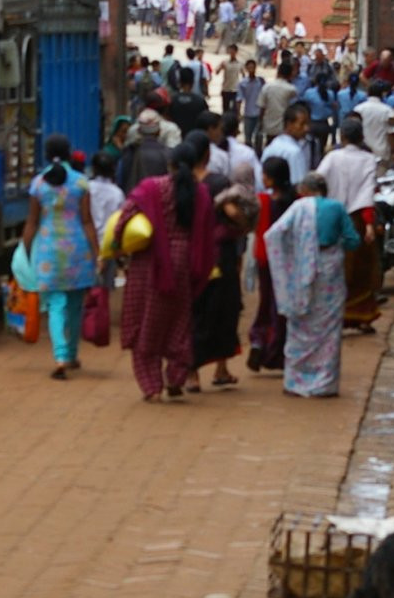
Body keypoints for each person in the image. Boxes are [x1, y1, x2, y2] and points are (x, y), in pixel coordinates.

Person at [109, 141, 216, 402]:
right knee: (179, 322)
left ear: (169, 163)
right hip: (186, 265)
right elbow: (208, 232)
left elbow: (125, 215)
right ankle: (176, 377)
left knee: (147, 321)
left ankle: (152, 386)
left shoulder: (151, 188)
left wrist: (116, 247)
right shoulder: (201, 193)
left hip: (150, 263)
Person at [263, 172, 359, 398]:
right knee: (329, 329)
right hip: (330, 272)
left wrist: (295, 253)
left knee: (300, 326)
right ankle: (324, 383)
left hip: (301, 274)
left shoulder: (298, 208)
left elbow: (274, 234)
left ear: (303, 191)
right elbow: (354, 240)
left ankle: (296, 382)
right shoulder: (336, 208)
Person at [21, 135, 99, 381]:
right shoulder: (81, 183)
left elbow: (32, 222)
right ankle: (72, 354)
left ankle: (60, 357)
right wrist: (97, 252)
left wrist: (25, 251)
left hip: (48, 252)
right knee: (75, 305)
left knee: (56, 305)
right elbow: (87, 221)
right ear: (69, 153)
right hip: (77, 250)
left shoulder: (38, 184)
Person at [191, 158, 256, 390]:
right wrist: (244, 224)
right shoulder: (228, 196)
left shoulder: (192, 192)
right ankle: (218, 369)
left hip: (200, 261)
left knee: (200, 314)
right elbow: (236, 215)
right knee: (223, 315)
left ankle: (195, 373)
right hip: (222, 263)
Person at [317, 117, 382, 332]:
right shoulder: (368, 160)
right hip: (358, 221)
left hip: (333, 219)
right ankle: (362, 316)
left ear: (342, 137)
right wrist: (370, 224)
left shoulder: (332, 157)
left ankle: (334, 316)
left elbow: (318, 181)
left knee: (336, 269)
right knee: (362, 270)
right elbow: (368, 193)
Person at [245, 156, 297, 374]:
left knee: (266, 302)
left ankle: (261, 341)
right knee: (283, 305)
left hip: (266, 258)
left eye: (265, 175)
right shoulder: (297, 199)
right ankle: (278, 350)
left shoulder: (263, 201)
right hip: (289, 260)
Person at [261, 102, 313, 187]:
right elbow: (299, 184)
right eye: (302, 124)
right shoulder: (294, 152)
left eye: (307, 124)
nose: (306, 128)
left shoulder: (272, 146)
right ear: (289, 124)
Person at [120, 110, 171, 193]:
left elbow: (122, 180)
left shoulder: (129, 153)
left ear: (139, 131)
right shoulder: (168, 154)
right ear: (159, 131)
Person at [355, 79, 394, 165]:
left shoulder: (358, 109)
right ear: (383, 94)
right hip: (381, 152)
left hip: (361, 152)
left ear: (368, 93)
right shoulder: (387, 110)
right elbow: (391, 134)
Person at [256, 70, 298, 151]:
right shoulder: (291, 89)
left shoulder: (267, 87)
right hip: (284, 126)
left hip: (269, 126)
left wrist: (260, 121)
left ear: (278, 73)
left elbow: (262, 107)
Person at [165, 66, 207, 137]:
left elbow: (167, 119)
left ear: (180, 82)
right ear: (193, 82)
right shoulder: (200, 101)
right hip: (194, 140)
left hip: (175, 139)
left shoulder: (171, 100)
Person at [236, 60, 265, 147]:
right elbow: (239, 99)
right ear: (246, 68)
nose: (251, 69)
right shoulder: (242, 83)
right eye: (249, 67)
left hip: (259, 113)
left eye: (253, 67)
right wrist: (239, 113)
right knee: (248, 138)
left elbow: (264, 97)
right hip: (248, 113)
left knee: (259, 137)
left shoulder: (260, 82)